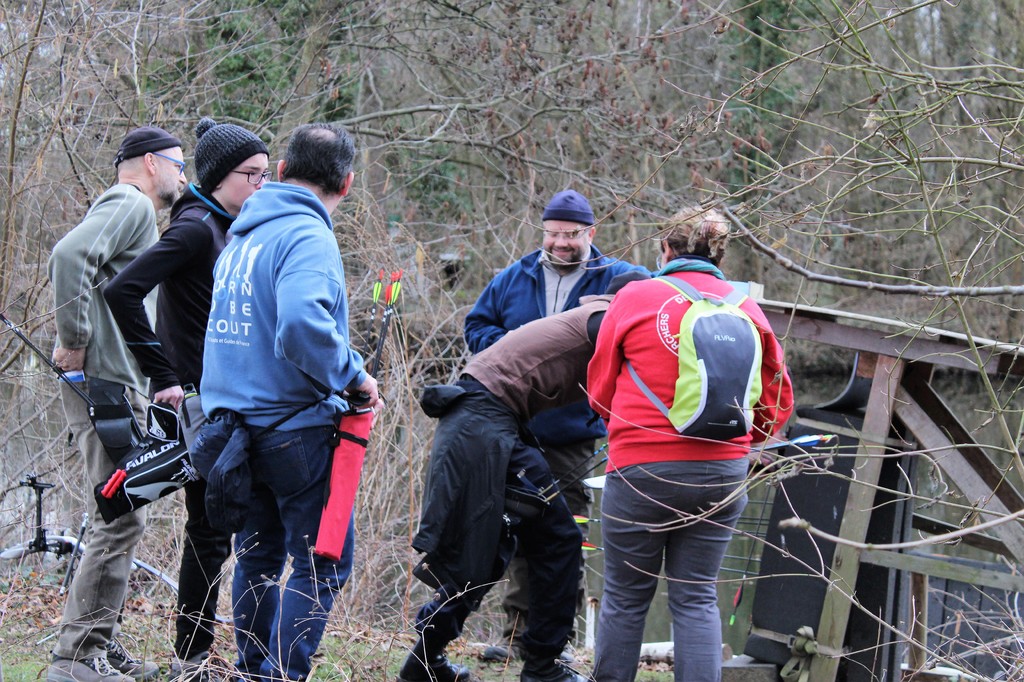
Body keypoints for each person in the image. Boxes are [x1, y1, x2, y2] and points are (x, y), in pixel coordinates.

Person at [401, 271, 649, 682]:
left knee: (491, 549)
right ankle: (543, 667)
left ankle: (423, 663)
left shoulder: (592, 320)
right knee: (559, 539)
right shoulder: (605, 321)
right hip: (484, 422)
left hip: (483, 420)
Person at [199, 123, 382, 681]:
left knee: (257, 556)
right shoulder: (307, 236)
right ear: (347, 183)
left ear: (280, 171)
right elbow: (301, 324)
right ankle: (278, 675)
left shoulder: (242, 237)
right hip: (294, 431)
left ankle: (252, 670)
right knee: (321, 563)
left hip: (235, 432)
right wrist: (354, 377)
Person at [587, 206, 795, 682]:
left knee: (625, 597)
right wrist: (743, 443)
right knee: (697, 595)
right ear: (720, 254)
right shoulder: (746, 308)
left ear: (666, 248)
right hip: (723, 474)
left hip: (641, 469)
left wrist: (627, 429)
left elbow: (598, 390)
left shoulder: (636, 297)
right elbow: (778, 400)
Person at [104, 117, 270, 679]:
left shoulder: (226, 225)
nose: (261, 186)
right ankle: (191, 659)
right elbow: (123, 290)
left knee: (213, 528)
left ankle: (193, 655)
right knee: (209, 528)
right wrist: (163, 373)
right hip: (197, 405)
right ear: (221, 176)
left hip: (224, 401)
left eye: (267, 175)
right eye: (253, 175)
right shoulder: (197, 228)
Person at [463, 189, 646, 659]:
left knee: (566, 535)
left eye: (571, 234)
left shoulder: (619, 278)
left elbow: (645, 325)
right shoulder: (514, 277)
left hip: (574, 433)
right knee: (517, 530)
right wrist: (517, 346)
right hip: (516, 425)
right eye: (553, 233)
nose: (561, 242)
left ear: (591, 233)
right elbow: (475, 327)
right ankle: (515, 634)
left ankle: (557, 641)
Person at [47, 126, 186, 682]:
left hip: (113, 380)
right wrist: (75, 341)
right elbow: (69, 255)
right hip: (104, 382)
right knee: (121, 516)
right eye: (178, 165)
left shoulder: (131, 210)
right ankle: (78, 657)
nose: (183, 177)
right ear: (151, 163)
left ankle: (98, 642)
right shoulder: (131, 202)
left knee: (122, 514)